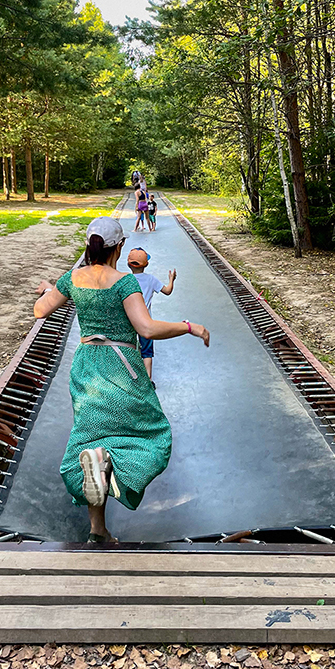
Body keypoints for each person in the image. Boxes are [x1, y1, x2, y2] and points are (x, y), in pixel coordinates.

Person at [34, 216, 210, 543]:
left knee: (92, 438)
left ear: (89, 245)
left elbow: (40, 311)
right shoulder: (125, 282)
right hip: (122, 368)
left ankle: (97, 528)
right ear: (120, 246)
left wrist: (50, 289)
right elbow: (147, 328)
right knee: (150, 433)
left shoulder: (72, 279)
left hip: (87, 368)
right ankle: (117, 477)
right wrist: (189, 326)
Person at [127, 247, 176, 381]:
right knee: (147, 352)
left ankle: (130, 378)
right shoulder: (151, 280)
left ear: (128, 264)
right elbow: (167, 291)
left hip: (128, 320)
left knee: (128, 347)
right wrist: (172, 279)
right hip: (146, 322)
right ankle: (148, 380)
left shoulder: (125, 280)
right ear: (146, 264)